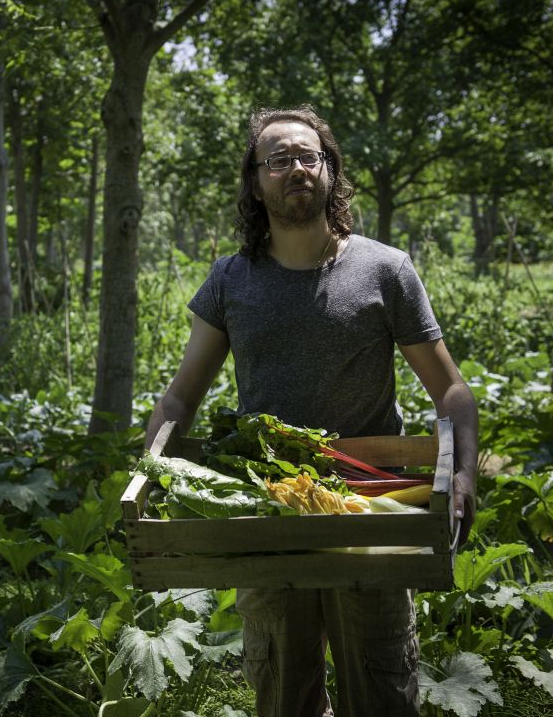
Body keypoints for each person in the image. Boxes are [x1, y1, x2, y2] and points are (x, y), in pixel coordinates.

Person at [144, 104, 479, 717]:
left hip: (371, 514)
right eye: (279, 159)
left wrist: (462, 474)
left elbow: (451, 393)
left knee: (380, 690)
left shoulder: (386, 270)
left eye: (308, 156)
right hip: (270, 512)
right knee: (282, 691)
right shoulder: (230, 280)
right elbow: (181, 395)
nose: (295, 168)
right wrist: (152, 463)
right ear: (254, 180)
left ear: (329, 172)